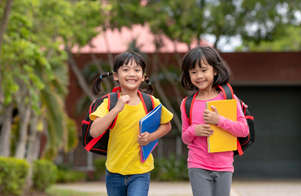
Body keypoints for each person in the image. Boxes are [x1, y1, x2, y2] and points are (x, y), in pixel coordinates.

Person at [89, 50, 173, 196]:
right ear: (116, 76)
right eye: (126, 70)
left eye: (137, 70)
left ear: (143, 76)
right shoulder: (109, 102)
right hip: (114, 172)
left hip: (140, 171)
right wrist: (116, 109)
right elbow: (94, 131)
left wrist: (151, 137)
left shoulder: (151, 102)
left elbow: (167, 125)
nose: (132, 74)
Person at [180, 46, 249, 196]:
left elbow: (244, 130)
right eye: (193, 72)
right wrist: (194, 130)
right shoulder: (187, 103)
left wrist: (219, 120)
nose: (199, 76)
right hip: (197, 164)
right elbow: (185, 138)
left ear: (215, 70)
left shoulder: (228, 97)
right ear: (188, 75)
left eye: (204, 70)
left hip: (224, 165)